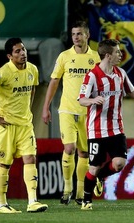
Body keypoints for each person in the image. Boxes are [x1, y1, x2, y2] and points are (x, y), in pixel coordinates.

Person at [78, 39, 134, 210]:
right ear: (107, 55)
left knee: (119, 163)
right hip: (96, 129)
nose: (120, 55)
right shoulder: (92, 76)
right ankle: (86, 200)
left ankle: (100, 178)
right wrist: (93, 99)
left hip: (116, 128)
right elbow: (81, 99)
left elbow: (133, 92)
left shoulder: (120, 73)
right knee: (93, 167)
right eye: (117, 52)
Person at [0, 38, 48, 213]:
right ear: (10, 55)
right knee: (5, 164)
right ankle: (1, 204)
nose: (22, 53)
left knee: (30, 158)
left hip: (25, 125)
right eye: (17, 51)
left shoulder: (32, 69)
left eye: (23, 49)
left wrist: (28, 110)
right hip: (7, 126)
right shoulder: (3, 72)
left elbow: (32, 88)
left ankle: (33, 201)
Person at [41, 20, 101, 206]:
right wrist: (46, 107)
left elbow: (102, 84)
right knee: (69, 148)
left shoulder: (96, 58)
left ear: (87, 35)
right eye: (74, 34)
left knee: (84, 153)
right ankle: (67, 188)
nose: (76, 37)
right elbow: (54, 81)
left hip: (87, 112)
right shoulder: (64, 56)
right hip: (66, 109)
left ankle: (80, 192)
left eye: (79, 34)